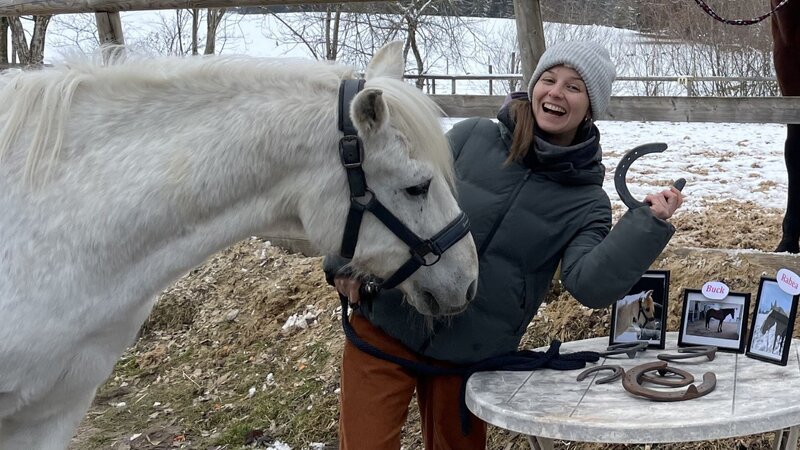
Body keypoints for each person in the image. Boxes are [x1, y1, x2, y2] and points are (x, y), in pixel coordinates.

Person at [324, 40, 684, 450]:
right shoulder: (471, 137)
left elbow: (590, 286)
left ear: (590, 107)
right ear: (533, 86)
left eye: (574, 87)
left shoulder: (586, 201)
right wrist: (344, 262)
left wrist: (646, 225)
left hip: (468, 359)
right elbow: (389, 188)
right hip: (386, 324)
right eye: (548, 79)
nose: (555, 93)